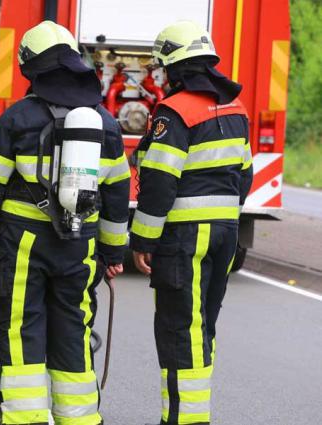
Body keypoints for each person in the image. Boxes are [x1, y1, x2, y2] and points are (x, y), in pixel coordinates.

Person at [0, 21, 130, 425]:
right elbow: (119, 193)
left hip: (23, 243)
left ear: (32, 68)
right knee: (74, 328)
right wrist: (110, 253)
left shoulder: (17, 118)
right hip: (80, 244)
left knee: (22, 328)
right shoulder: (105, 123)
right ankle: (81, 419)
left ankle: (25, 418)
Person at [130, 21, 253, 425]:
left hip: (185, 238)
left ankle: (184, 421)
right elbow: (245, 175)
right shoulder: (236, 109)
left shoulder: (175, 111)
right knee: (202, 328)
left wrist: (143, 239)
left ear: (175, 68)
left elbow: (160, 184)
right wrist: (225, 218)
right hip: (226, 232)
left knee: (179, 332)